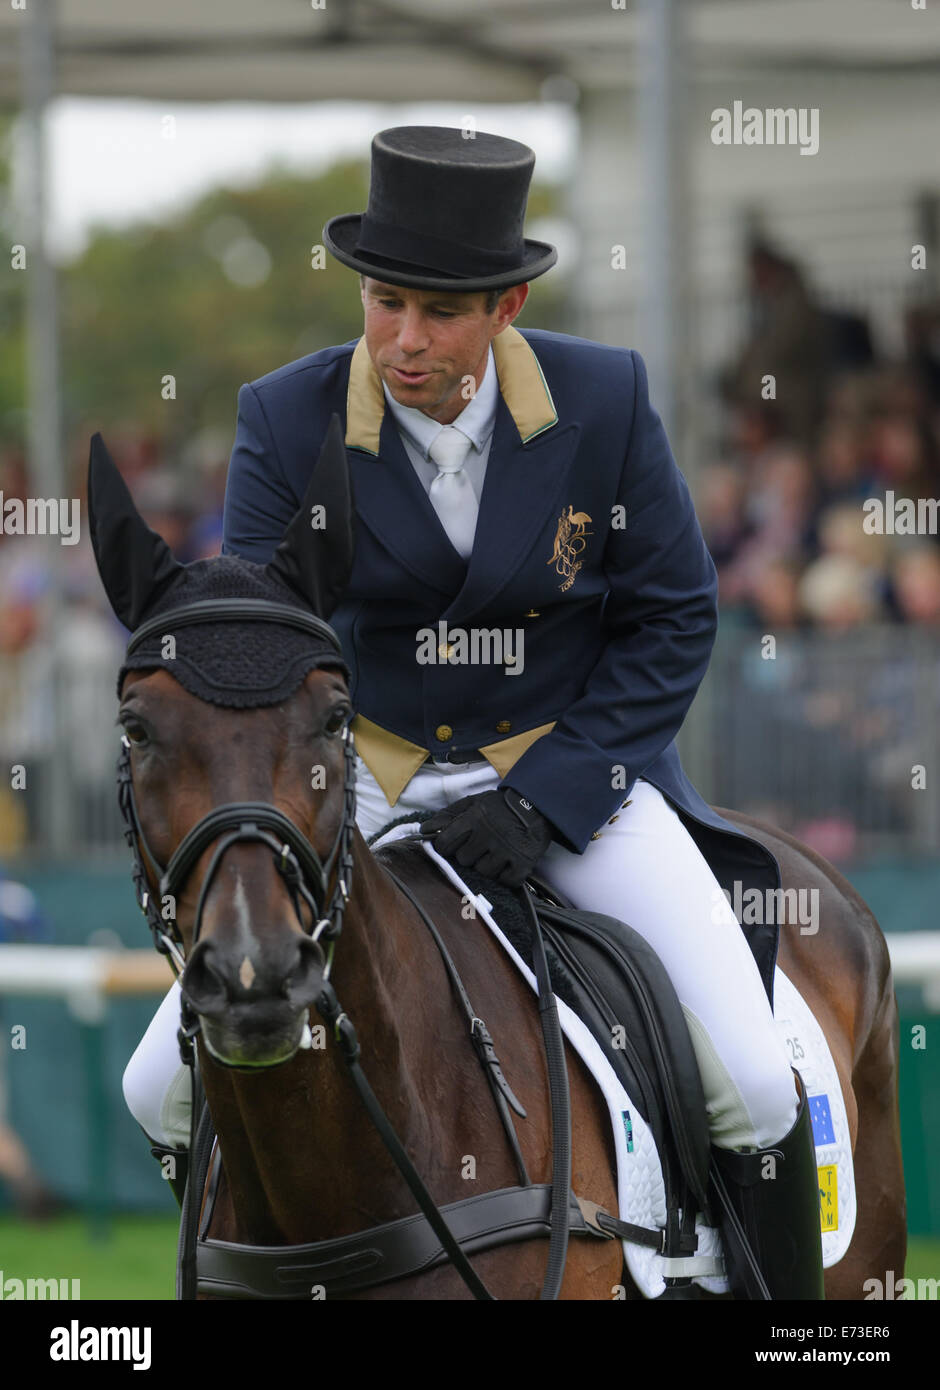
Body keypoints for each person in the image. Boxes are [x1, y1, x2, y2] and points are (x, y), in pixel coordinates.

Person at [123, 126, 823, 1299]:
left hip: (577, 787)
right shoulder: (285, 419)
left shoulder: (603, 401)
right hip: (370, 791)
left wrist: (546, 798)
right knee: (158, 1085)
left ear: (506, 303)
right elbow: (250, 641)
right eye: (384, 302)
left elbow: (674, 620)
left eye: (438, 312)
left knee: (751, 1077)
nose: (402, 340)